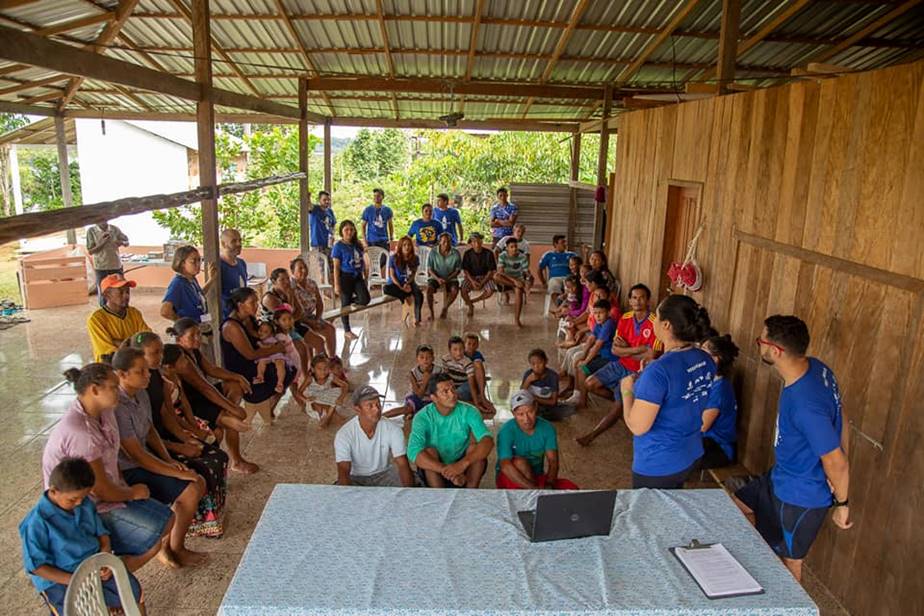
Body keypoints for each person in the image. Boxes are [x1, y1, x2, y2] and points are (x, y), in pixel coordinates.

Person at [733, 315, 851, 582]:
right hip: (780, 477)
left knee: (791, 565)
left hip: (801, 495)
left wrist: (842, 502)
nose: (759, 345)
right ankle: (757, 573)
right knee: (738, 505)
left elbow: (837, 461)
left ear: (775, 351)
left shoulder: (805, 403)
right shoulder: (819, 368)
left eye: (761, 341)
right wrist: (841, 455)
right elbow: (844, 418)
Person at [42, 364, 174, 573]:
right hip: (82, 507)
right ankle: (111, 574)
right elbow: (98, 489)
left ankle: (115, 568)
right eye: (113, 387)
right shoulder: (80, 432)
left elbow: (111, 460)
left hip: (108, 491)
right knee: (157, 529)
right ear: (94, 390)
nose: (118, 390)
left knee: (165, 522)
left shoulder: (105, 412)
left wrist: (125, 487)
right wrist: (132, 493)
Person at [111, 347, 207, 568]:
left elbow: (150, 429)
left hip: (146, 457)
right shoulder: (118, 406)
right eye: (141, 371)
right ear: (121, 374)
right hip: (128, 470)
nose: (148, 375)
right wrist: (172, 469)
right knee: (192, 486)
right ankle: (171, 548)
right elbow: (136, 455)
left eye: (147, 370)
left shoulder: (140, 392)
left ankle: (173, 545)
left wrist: (168, 460)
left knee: (196, 482)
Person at [20, 458, 147, 615]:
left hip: (93, 565)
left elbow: (102, 535)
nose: (79, 503)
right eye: (73, 499)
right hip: (59, 579)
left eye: (83, 497)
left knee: (133, 591)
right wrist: (76, 580)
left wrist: (105, 557)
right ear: (53, 491)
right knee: (74, 610)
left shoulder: (84, 503)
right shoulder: (36, 523)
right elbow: (37, 567)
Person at [619, 294, 716, 489]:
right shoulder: (705, 359)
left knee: (650, 516)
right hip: (691, 453)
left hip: (659, 463)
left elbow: (637, 427)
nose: (653, 322)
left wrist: (627, 390)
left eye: (657, 316)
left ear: (666, 325)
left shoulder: (659, 371)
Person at [151, 341, 229, 538]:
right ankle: (198, 524)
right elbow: (163, 423)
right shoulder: (157, 385)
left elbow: (177, 410)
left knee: (217, 453)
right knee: (202, 467)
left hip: (175, 431)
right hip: (163, 442)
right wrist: (181, 445)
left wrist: (191, 431)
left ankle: (214, 517)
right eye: (155, 353)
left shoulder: (164, 380)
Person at [576, 284, 662, 446]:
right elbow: (615, 350)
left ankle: (593, 435)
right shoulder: (625, 318)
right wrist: (640, 349)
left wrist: (627, 350)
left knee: (618, 404)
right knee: (590, 383)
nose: (637, 301)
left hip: (638, 372)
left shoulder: (654, 322)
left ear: (648, 300)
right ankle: (622, 404)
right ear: (629, 300)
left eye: (642, 297)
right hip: (620, 364)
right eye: (634, 297)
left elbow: (652, 355)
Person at [170, 318, 257, 474]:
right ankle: (236, 460)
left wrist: (237, 377)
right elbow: (205, 388)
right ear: (179, 339)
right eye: (192, 336)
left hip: (202, 395)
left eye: (198, 334)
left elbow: (211, 370)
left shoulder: (193, 350)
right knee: (230, 421)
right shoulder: (181, 360)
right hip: (193, 403)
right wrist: (232, 408)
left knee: (233, 385)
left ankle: (228, 416)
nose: (197, 338)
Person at [407, 374, 494, 488]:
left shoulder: (469, 411)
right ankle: (439, 496)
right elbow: (413, 451)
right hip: (436, 467)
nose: (452, 394)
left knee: (475, 449)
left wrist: (462, 464)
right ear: (434, 398)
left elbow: (487, 440)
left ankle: (471, 493)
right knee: (429, 452)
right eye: (445, 391)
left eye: (453, 389)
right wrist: (447, 471)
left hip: (461, 464)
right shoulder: (422, 417)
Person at [221, 287, 298, 412]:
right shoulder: (231, 326)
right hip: (244, 370)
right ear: (240, 305)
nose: (256, 305)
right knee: (282, 370)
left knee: (289, 366)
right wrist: (275, 349)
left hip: (257, 360)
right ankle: (266, 402)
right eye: (252, 303)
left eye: (257, 302)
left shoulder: (248, 319)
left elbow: (261, 337)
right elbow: (251, 354)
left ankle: (272, 402)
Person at [495, 391, 578, 490]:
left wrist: (549, 484)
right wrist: (535, 489)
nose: (526, 419)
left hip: (536, 477)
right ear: (513, 414)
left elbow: (553, 461)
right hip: (512, 476)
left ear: (536, 407)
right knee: (520, 463)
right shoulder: (506, 431)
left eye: (530, 412)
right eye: (520, 414)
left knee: (571, 488)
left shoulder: (547, 428)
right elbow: (505, 466)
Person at [335, 385, 415, 487]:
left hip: (384, 474)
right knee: (338, 491)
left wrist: (408, 493)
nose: (377, 409)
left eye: (378, 404)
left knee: (411, 480)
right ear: (357, 409)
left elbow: (403, 464)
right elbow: (343, 470)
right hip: (356, 478)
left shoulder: (393, 429)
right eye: (370, 406)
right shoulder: (344, 434)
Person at [562, 299, 619, 408]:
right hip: (602, 355)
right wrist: (583, 356)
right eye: (595, 313)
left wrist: (586, 361)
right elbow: (590, 340)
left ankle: (582, 401)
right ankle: (577, 394)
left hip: (610, 358)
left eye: (601, 313)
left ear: (608, 313)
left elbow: (597, 345)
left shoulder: (609, 324)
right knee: (579, 364)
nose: (597, 316)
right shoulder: (599, 323)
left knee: (583, 369)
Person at [87, 273, 151, 363]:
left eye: (127, 291)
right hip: (111, 367)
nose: (126, 296)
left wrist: (119, 342)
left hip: (134, 363)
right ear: (107, 295)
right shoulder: (96, 319)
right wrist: (134, 343)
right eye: (121, 292)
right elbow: (108, 354)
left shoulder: (134, 313)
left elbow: (146, 338)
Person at [699, 334, 740, 469]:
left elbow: (702, 427)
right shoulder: (709, 379)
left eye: (703, 350)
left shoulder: (720, 388)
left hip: (719, 448)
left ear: (715, 359)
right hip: (707, 441)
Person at [289, 256, 337, 357]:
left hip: (311, 317)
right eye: (300, 268)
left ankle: (332, 359)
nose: (304, 270)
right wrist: (311, 322)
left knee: (330, 329)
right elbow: (295, 312)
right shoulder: (291, 287)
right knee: (314, 338)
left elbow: (319, 304)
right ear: (293, 272)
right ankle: (319, 365)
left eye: (305, 267)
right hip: (298, 320)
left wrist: (317, 319)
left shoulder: (311, 283)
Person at [331, 220, 370, 341]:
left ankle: (350, 300)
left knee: (365, 299)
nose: (349, 232)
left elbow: (363, 260)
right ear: (342, 231)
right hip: (345, 277)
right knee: (345, 305)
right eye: (346, 230)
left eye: (351, 229)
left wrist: (365, 275)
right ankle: (347, 330)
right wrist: (337, 285)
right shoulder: (338, 246)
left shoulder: (357, 244)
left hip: (357, 276)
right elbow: (336, 267)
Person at [160, 245, 218, 324]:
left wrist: (211, 280)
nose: (198, 264)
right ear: (182, 263)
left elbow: (199, 295)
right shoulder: (178, 283)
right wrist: (182, 323)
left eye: (199, 260)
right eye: (193, 261)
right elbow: (165, 311)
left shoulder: (191, 279)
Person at [384, 344, 441, 420]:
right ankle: (381, 416)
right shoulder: (413, 373)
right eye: (422, 357)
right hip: (417, 397)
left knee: (433, 411)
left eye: (428, 357)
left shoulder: (439, 371)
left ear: (433, 358)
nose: (425, 360)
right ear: (417, 359)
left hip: (432, 399)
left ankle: (414, 414)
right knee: (407, 409)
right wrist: (425, 381)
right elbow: (418, 395)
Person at [521, 349, 574, 421]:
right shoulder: (528, 374)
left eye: (539, 363)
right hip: (531, 405)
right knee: (522, 407)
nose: (536, 367)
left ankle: (538, 415)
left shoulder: (553, 376)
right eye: (533, 364)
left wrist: (535, 398)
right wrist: (528, 381)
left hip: (547, 405)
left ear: (546, 361)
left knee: (570, 409)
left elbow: (553, 401)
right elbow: (521, 393)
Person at [86, 220, 129, 305]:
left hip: (116, 265)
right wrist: (102, 242)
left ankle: (123, 310)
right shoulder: (91, 231)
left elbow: (126, 242)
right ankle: (104, 312)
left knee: (121, 290)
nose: (103, 220)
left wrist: (122, 243)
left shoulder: (114, 229)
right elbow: (91, 251)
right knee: (104, 292)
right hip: (101, 267)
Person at [384, 236, 424, 326]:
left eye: (409, 245)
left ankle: (417, 319)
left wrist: (408, 283)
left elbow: (413, 274)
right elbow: (392, 275)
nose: (407, 247)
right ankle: (404, 296)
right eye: (404, 245)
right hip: (396, 283)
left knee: (419, 294)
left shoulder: (415, 258)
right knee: (386, 289)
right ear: (401, 246)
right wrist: (401, 287)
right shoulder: (393, 258)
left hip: (409, 282)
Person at [304, 354, 349, 428]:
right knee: (338, 419)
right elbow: (298, 392)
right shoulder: (310, 379)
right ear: (313, 369)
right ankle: (327, 417)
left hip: (326, 398)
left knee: (338, 391)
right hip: (314, 401)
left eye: (325, 368)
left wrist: (341, 397)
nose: (323, 371)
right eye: (319, 369)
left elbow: (345, 385)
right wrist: (306, 399)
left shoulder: (330, 376)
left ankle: (327, 417)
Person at [426, 231, 462, 320]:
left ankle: (445, 308)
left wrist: (448, 278)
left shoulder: (456, 253)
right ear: (440, 242)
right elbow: (430, 269)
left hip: (451, 278)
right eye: (444, 241)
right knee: (429, 291)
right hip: (435, 277)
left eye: (448, 241)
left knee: (454, 290)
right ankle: (431, 312)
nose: (446, 244)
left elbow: (458, 270)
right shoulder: (433, 252)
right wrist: (438, 279)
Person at [439, 336, 481, 411]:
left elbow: (471, 385)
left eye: (461, 349)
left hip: (464, 385)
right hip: (452, 386)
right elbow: (445, 377)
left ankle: (453, 399)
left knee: (461, 392)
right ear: (449, 350)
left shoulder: (467, 362)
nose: (458, 352)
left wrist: (476, 404)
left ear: (464, 349)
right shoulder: (445, 359)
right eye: (455, 349)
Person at [495, 237, 530, 327]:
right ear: (507, 248)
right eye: (512, 247)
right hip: (506, 279)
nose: (514, 249)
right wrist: (514, 281)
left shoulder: (522, 257)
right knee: (496, 276)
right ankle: (517, 285)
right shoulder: (502, 255)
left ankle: (517, 319)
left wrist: (528, 280)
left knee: (518, 291)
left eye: (515, 246)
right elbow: (500, 272)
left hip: (519, 278)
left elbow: (526, 272)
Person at [460, 232, 496, 316]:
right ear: (471, 243)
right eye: (474, 241)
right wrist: (472, 281)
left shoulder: (489, 253)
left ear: (481, 241)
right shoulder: (467, 254)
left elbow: (491, 271)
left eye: (478, 241)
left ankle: (473, 301)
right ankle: (470, 306)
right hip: (471, 277)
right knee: (463, 290)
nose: (477, 244)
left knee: (490, 290)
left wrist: (483, 282)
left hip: (485, 277)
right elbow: (465, 270)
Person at [463, 333, 496, 417]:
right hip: (464, 381)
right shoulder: (461, 353)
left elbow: (478, 366)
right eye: (469, 344)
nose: (471, 346)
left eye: (474, 344)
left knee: (478, 364)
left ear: (477, 345)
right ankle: (476, 402)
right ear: (464, 344)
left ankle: (481, 396)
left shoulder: (477, 354)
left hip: (473, 380)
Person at [254, 321, 291, 395]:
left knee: (280, 364)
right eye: (260, 330)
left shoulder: (272, 339)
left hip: (276, 355)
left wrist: (262, 345)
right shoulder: (260, 341)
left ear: (271, 334)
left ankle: (280, 383)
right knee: (261, 362)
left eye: (266, 331)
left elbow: (272, 346)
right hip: (267, 355)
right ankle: (260, 376)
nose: (262, 333)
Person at [538, 234, 576, 304]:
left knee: (571, 288)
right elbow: (539, 269)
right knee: (553, 287)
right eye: (562, 242)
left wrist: (585, 254)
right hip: (554, 278)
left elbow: (581, 266)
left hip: (568, 278)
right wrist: (543, 282)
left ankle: (565, 309)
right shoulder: (548, 255)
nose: (565, 244)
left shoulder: (571, 255)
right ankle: (559, 308)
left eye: (565, 242)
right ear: (555, 244)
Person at [219, 229, 248, 320]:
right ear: (223, 244)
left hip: (243, 315)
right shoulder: (219, 266)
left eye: (240, 240)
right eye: (234, 241)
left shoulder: (241, 263)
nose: (239, 244)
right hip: (227, 318)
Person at [309, 190, 336, 258]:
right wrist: (308, 197)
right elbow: (308, 205)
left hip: (329, 244)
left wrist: (333, 235)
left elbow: (333, 225)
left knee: (329, 266)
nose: (327, 202)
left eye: (328, 200)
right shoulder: (315, 209)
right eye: (324, 200)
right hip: (317, 245)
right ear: (319, 200)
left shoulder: (330, 211)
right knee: (320, 266)